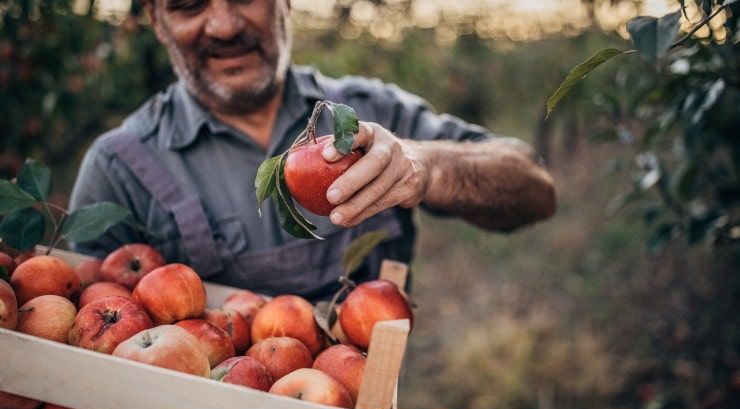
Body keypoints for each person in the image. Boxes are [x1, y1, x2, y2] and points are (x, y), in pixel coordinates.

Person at [69, 0, 556, 301]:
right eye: (188, 4)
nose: (222, 25)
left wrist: (426, 166)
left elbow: (536, 191)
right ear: (155, 19)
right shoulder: (119, 168)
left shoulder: (367, 114)